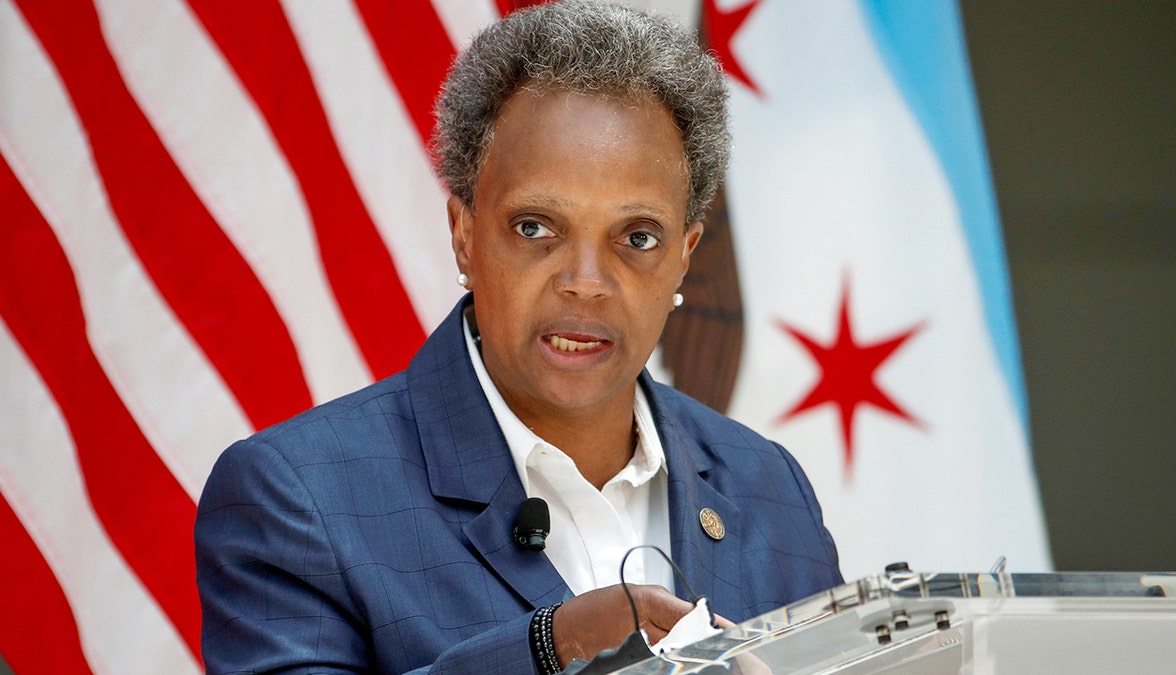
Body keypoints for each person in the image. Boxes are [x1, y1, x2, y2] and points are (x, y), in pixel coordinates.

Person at [194, 1, 842, 673]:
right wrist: (551, 646)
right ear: (465, 235)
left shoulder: (771, 489)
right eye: (536, 226)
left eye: (637, 238)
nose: (586, 282)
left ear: (684, 255)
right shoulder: (296, 496)